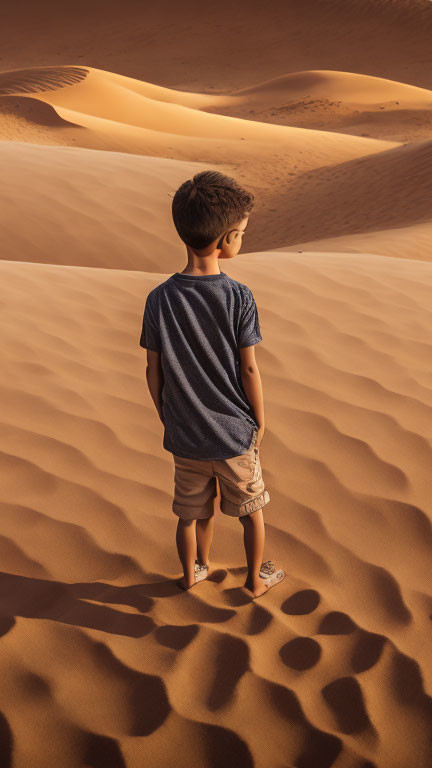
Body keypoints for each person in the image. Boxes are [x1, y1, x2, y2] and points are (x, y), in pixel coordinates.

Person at [139, 170, 287, 600]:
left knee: (191, 513)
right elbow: (250, 370)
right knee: (251, 511)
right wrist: (258, 419)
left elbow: (154, 370)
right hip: (233, 434)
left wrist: (168, 415)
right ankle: (257, 580)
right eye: (240, 233)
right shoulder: (238, 296)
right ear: (224, 240)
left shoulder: (159, 298)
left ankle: (193, 571)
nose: (241, 240)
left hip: (185, 435)